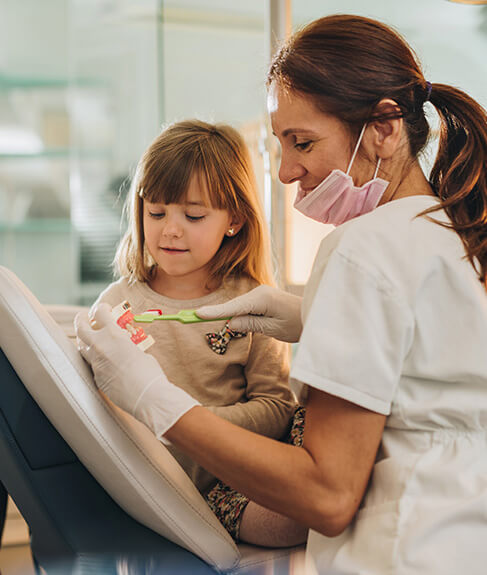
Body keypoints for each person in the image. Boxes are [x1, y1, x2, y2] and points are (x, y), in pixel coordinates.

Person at [76, 14, 487, 574]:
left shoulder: (361, 250)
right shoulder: (449, 228)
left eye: (304, 142)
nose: (288, 170)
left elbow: (328, 496)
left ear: (386, 129)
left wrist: (153, 397)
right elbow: (430, 367)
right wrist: (306, 318)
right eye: (280, 145)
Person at [87, 119, 306, 547]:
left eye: (193, 215)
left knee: (293, 521)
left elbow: (277, 407)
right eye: (156, 212)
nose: (170, 229)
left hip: (228, 485)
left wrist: (195, 424)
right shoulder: (117, 305)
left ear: (235, 221)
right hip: (145, 487)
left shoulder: (255, 306)